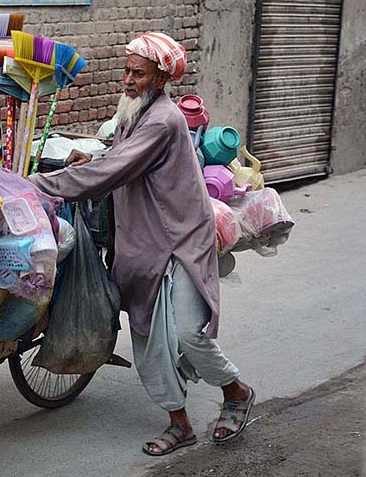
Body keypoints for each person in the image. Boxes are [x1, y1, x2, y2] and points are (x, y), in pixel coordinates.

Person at [29, 32, 255, 456]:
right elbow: (118, 154)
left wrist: (35, 185)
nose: (128, 80)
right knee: (148, 336)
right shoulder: (134, 112)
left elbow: (113, 172)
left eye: (138, 73)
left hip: (180, 239)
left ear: (160, 79)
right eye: (127, 71)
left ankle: (236, 391)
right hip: (141, 242)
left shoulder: (164, 120)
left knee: (189, 333)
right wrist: (94, 155)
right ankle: (180, 423)